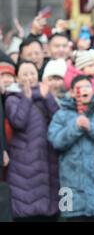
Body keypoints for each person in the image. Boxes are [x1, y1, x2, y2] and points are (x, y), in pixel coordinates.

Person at [48, 75, 94, 221]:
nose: (84, 91)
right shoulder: (61, 114)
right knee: (68, 217)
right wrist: (75, 127)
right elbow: (55, 141)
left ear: (93, 90)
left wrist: (91, 127)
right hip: (69, 188)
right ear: (72, 92)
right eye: (80, 88)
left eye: (88, 87)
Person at [5, 60, 60, 221]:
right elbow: (18, 121)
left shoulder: (46, 94)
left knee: (51, 208)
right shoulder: (12, 98)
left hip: (47, 157)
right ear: (17, 78)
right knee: (27, 206)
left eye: (32, 73)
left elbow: (58, 119)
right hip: (25, 161)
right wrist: (27, 98)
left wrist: (48, 97)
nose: (29, 77)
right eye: (25, 74)